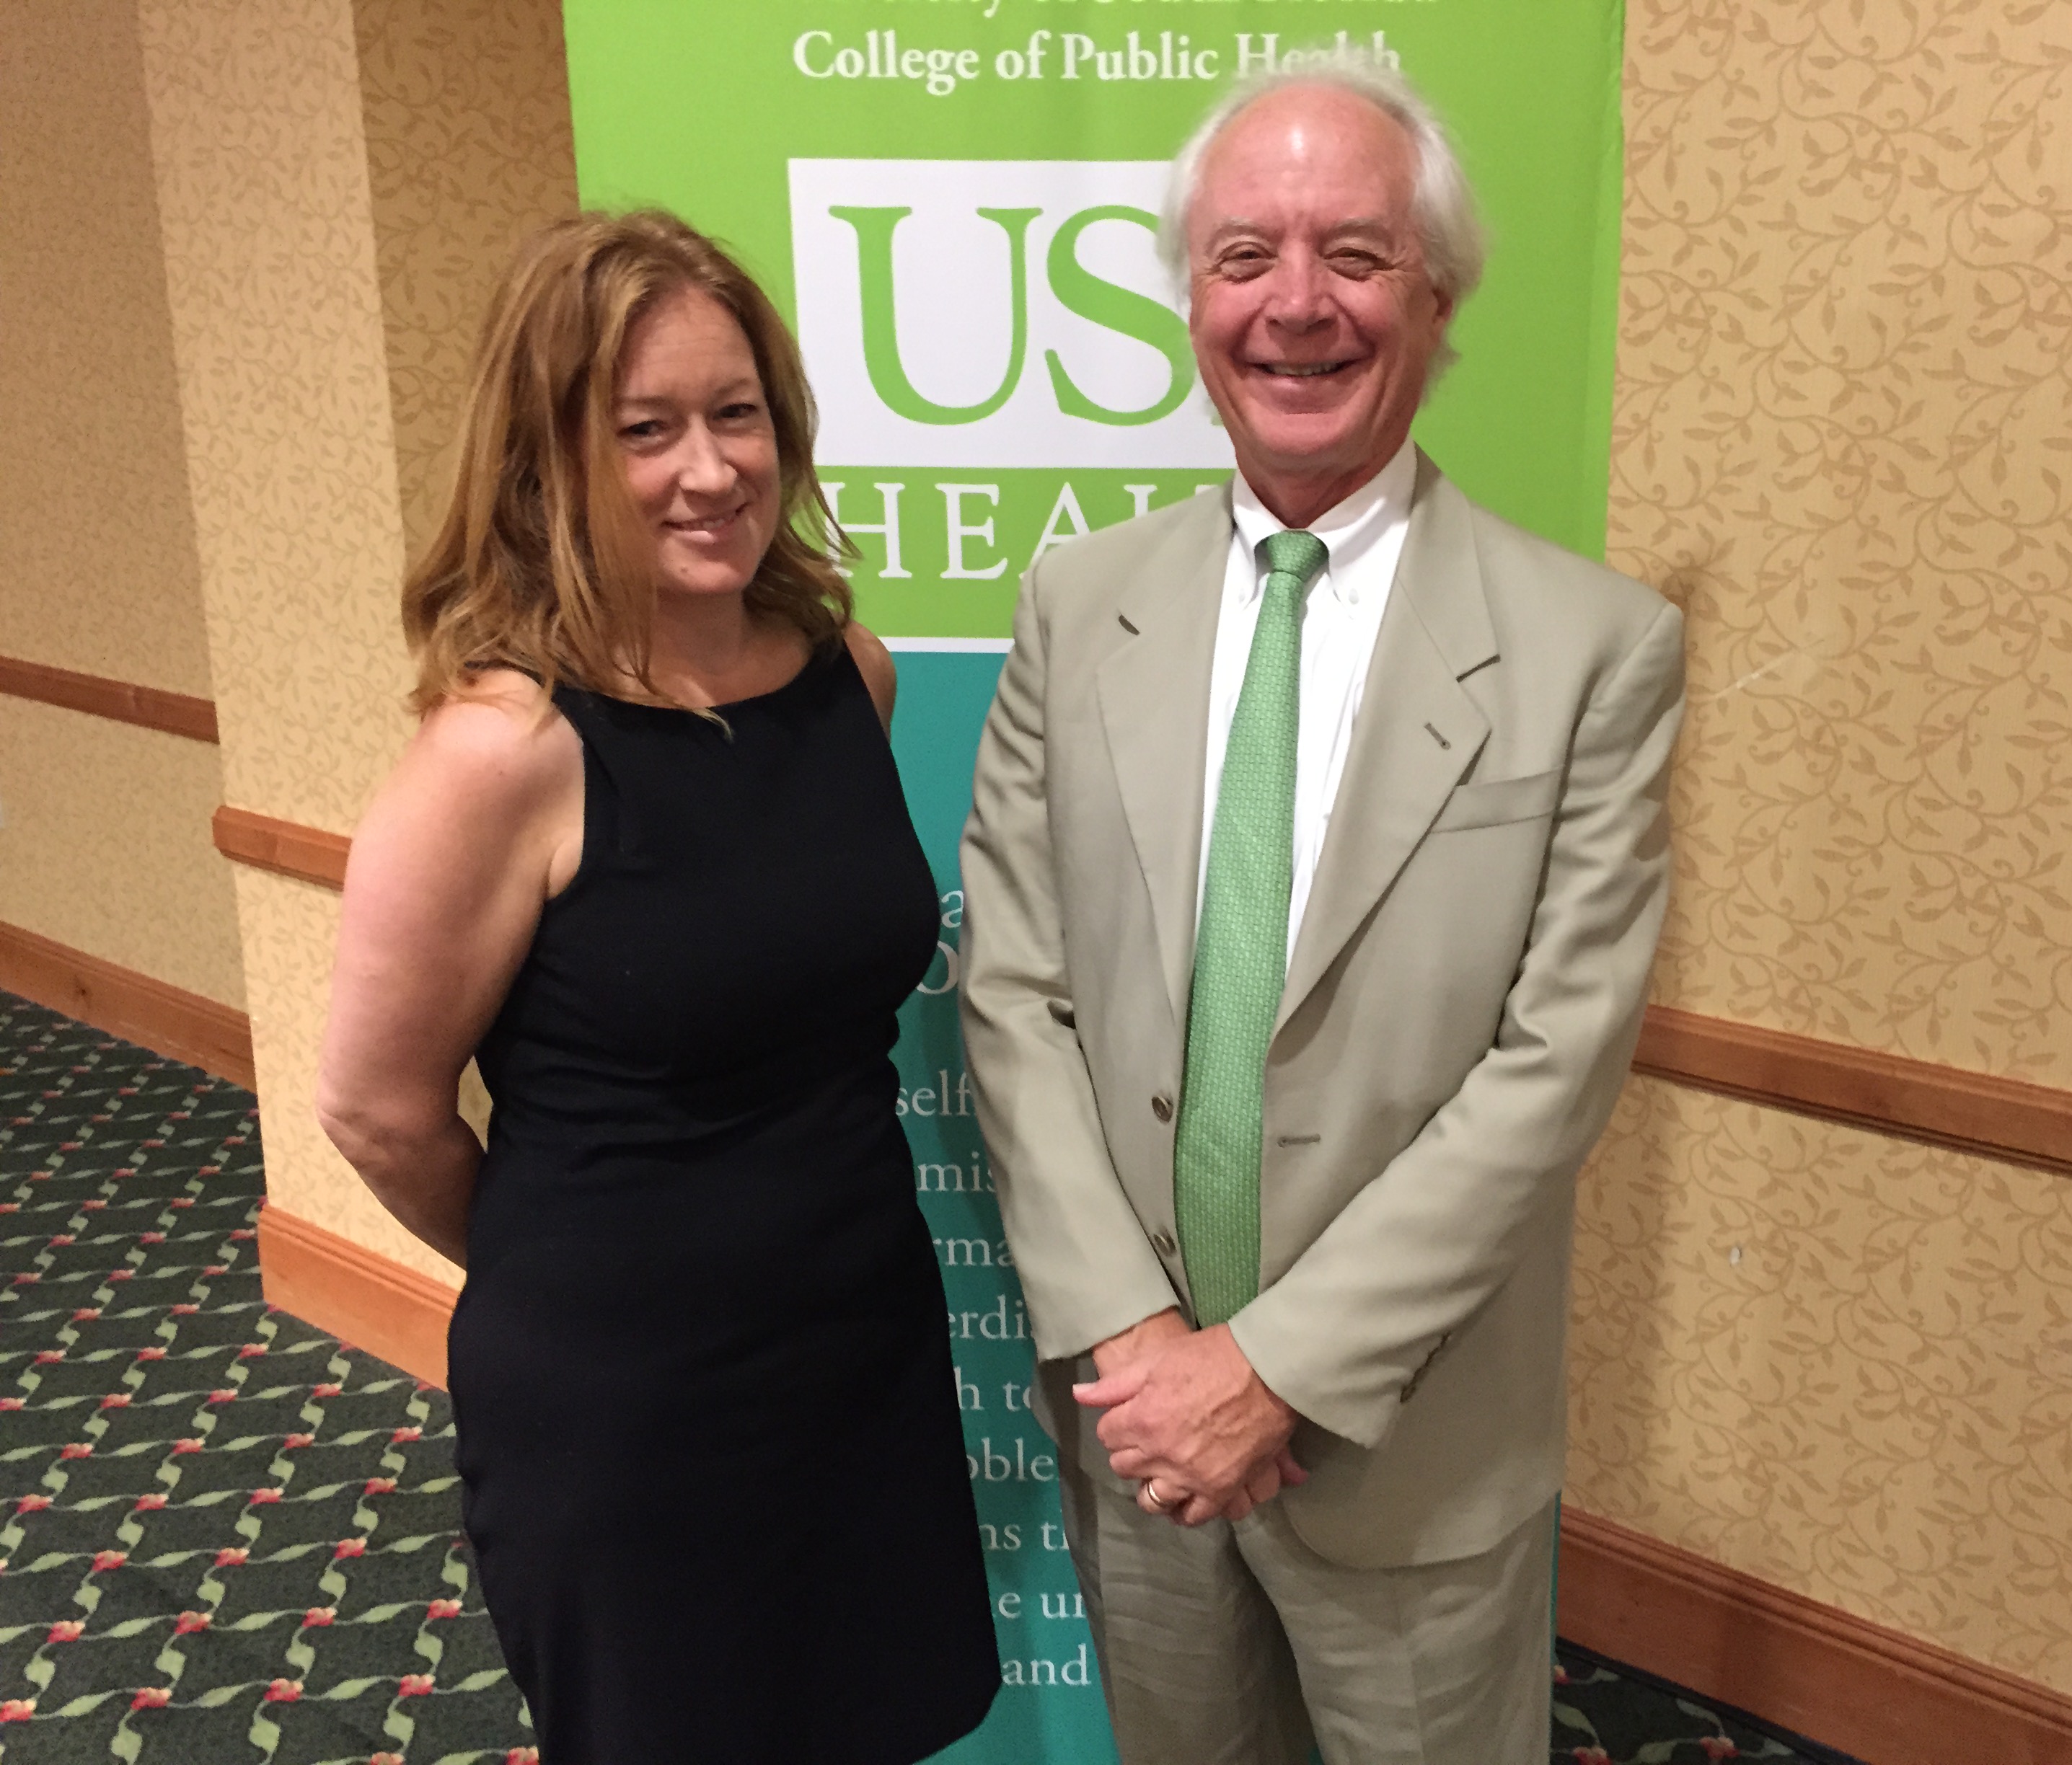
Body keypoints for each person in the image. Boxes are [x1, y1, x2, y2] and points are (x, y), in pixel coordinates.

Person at [958, 60, 1685, 1764]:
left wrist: (1271, 1371)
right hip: (1138, 1436)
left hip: (1410, 1448)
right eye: (1244, 257)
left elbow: (1551, 1066)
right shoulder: (1078, 604)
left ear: (1436, 295)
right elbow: (1012, 985)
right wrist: (1145, 1352)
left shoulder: (1596, 648)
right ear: (1190, 299)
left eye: (1354, 254)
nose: (1297, 305)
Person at [316, 211, 999, 1764]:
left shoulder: (849, 676)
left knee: (872, 1719)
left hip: (857, 1338)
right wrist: (584, 1270)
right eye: (646, 429)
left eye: (736, 412)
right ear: (550, 461)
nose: (711, 469)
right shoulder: (502, 752)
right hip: (626, 1404)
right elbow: (374, 1107)